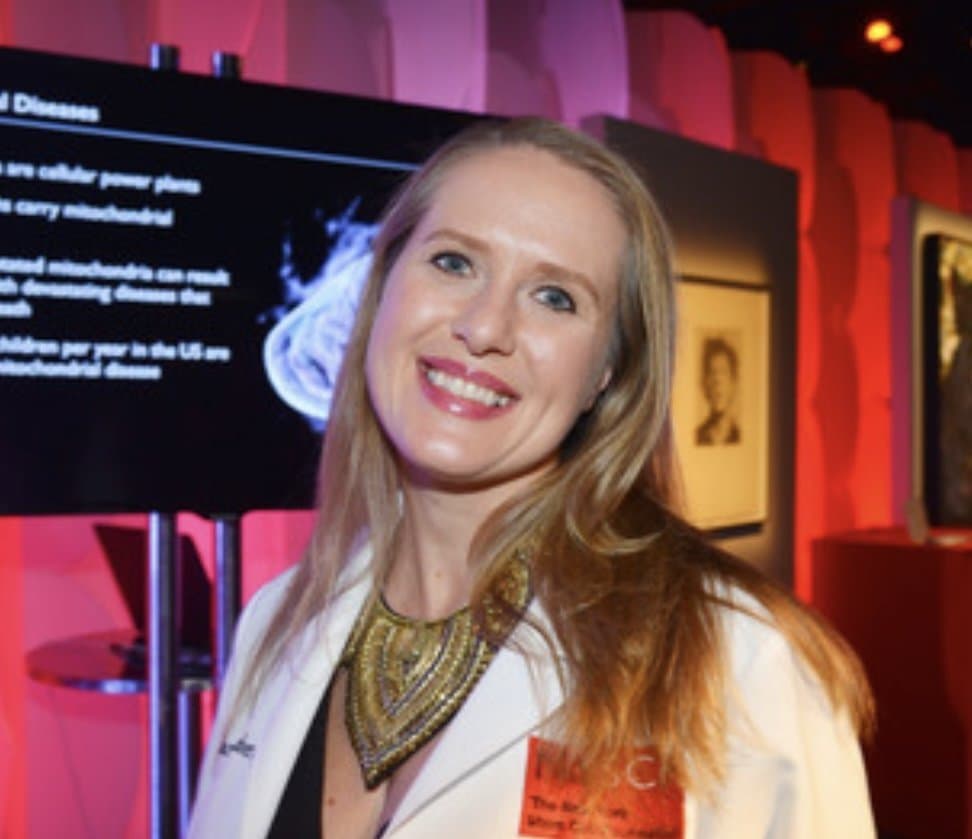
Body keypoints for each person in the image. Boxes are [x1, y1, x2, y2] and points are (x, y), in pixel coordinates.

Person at [188, 117, 875, 838]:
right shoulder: (276, 624)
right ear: (380, 292)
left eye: (555, 297)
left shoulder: (740, 661)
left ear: (605, 376)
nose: (485, 327)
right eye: (454, 262)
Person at [695, 336, 740, 446]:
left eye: (723, 372)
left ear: (733, 382)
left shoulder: (739, 435)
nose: (717, 381)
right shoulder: (697, 435)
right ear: (704, 384)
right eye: (712, 372)